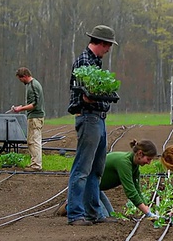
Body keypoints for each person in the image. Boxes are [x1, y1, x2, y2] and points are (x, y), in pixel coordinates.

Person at [65, 24, 119, 226]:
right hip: (88, 117)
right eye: (108, 45)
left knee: (96, 170)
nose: (109, 49)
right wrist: (88, 97)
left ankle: (94, 213)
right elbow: (82, 93)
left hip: (98, 117)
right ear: (102, 43)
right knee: (82, 169)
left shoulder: (95, 62)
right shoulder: (84, 61)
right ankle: (75, 214)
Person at [99, 139, 160, 220]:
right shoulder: (124, 163)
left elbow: (137, 190)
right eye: (148, 159)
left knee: (111, 216)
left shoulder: (134, 167)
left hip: (95, 188)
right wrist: (148, 213)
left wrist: (146, 207)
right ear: (140, 153)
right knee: (103, 217)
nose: (149, 163)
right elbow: (130, 191)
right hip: (86, 187)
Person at [13, 67, 45, 172]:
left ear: (25, 76)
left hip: (35, 117)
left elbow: (34, 104)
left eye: (20, 79)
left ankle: (36, 165)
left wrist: (20, 109)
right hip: (34, 117)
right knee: (32, 141)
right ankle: (34, 163)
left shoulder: (32, 86)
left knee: (34, 141)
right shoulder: (33, 84)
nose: (20, 81)